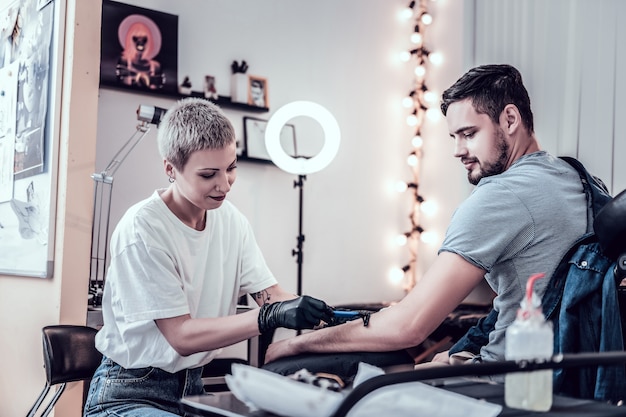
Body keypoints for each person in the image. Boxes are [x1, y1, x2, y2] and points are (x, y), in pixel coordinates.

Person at [265, 64, 589, 369]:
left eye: (469, 133)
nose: (458, 150)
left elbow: (408, 326)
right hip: (564, 375)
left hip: (503, 381)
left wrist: (296, 344)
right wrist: (460, 350)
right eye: (454, 137)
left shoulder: (500, 196)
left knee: (304, 371)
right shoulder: (574, 178)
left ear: (509, 119)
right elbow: (528, 298)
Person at [83, 97, 333, 416]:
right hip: (130, 393)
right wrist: (269, 317)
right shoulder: (142, 229)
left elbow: (269, 296)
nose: (224, 184)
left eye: (231, 169)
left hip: (194, 387)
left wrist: (323, 315)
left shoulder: (231, 221)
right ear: (171, 169)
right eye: (208, 175)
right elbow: (181, 336)